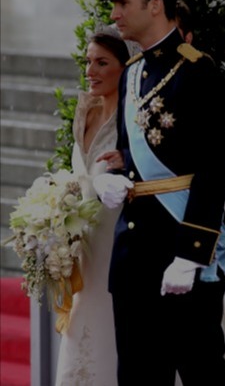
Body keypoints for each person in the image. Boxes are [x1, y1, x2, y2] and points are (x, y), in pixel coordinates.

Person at [91, 0, 225, 385]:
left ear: (155, 4)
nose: (115, 13)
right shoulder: (132, 72)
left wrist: (191, 254)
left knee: (200, 369)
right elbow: (128, 154)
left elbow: (212, 171)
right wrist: (106, 180)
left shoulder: (198, 71)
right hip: (133, 255)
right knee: (136, 374)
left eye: (123, 2)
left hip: (178, 249)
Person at [54, 28, 135, 386]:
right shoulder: (83, 111)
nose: (91, 70)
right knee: (79, 313)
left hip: (113, 238)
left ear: (125, 67)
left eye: (102, 62)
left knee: (107, 316)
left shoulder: (131, 121)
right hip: (79, 240)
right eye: (88, 62)